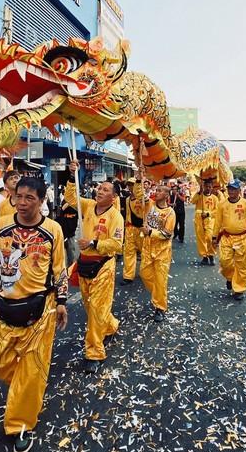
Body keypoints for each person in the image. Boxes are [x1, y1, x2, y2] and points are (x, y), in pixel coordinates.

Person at [0, 177, 68, 452]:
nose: (22, 203)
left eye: (29, 198)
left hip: (40, 311)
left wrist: (61, 302)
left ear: (42, 201)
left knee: (32, 371)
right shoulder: (2, 225)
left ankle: (20, 424)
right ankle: (27, 389)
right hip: (4, 308)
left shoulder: (52, 230)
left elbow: (60, 270)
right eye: (18, 197)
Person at [65, 160, 124, 374]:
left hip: (103, 266)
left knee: (97, 310)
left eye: (105, 190)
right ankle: (110, 325)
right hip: (84, 265)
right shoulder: (89, 206)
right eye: (100, 188)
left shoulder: (116, 217)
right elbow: (70, 199)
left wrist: (94, 244)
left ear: (114, 197)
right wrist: (72, 177)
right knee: (90, 307)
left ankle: (94, 353)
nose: (100, 191)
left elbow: (117, 244)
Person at [212, 180, 246, 301]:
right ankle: (230, 277)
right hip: (227, 238)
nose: (231, 191)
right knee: (224, 261)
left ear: (239, 190)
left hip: (242, 238)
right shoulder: (222, 204)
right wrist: (214, 237)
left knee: (242, 265)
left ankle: (239, 289)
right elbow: (217, 222)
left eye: (233, 189)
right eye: (229, 189)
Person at [138, 184, 176, 322]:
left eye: (159, 191)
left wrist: (150, 232)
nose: (156, 192)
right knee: (144, 274)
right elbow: (139, 194)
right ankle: (159, 292)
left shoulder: (171, 213)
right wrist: (139, 178)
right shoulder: (149, 205)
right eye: (156, 190)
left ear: (166, 195)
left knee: (160, 280)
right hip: (148, 247)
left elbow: (167, 234)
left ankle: (160, 307)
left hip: (162, 251)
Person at [121, 176, 146, 285]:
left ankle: (146, 272)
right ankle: (128, 276)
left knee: (145, 252)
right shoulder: (127, 199)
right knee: (129, 252)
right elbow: (127, 213)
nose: (131, 187)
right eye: (130, 185)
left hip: (141, 229)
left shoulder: (143, 199)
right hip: (130, 228)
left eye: (133, 184)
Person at [191, 179, 218, 265]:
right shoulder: (199, 195)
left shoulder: (214, 198)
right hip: (199, 218)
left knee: (210, 237)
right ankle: (204, 256)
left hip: (210, 219)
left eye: (210, 187)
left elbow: (216, 210)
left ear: (212, 188)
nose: (208, 188)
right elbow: (192, 201)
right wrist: (199, 193)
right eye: (206, 186)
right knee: (201, 238)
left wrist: (208, 214)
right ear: (204, 186)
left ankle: (211, 255)